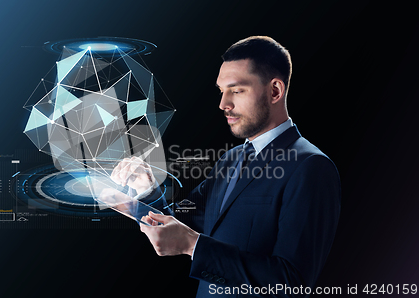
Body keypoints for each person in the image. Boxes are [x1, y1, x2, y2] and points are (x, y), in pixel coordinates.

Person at [110, 36, 341, 297]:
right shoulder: (230, 160)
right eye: (222, 91)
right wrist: (146, 189)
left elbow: (291, 282)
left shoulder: (311, 167)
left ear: (275, 90)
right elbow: (181, 222)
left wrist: (193, 246)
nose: (223, 105)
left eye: (237, 90)